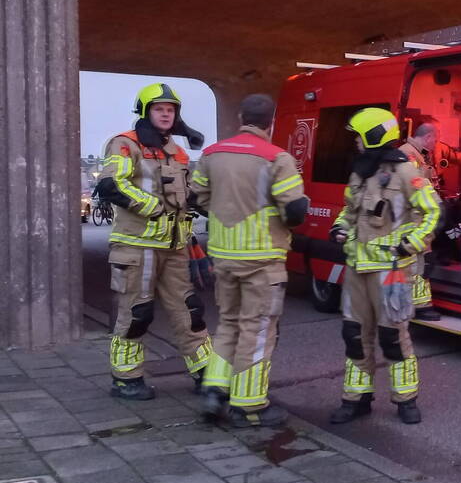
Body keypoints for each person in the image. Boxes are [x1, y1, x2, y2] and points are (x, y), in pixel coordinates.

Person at [190, 94, 309, 428]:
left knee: (228, 323)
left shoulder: (212, 154)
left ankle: (215, 389)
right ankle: (250, 406)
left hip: (224, 256)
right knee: (257, 331)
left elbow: (196, 197)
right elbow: (295, 210)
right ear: (271, 121)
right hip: (262, 260)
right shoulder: (277, 158)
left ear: (240, 116)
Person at [96, 83, 212, 400]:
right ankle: (126, 379)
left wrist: (220, 209)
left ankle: (206, 374)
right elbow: (110, 185)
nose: (165, 113)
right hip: (136, 246)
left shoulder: (178, 152)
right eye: (159, 108)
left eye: (170, 109)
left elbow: (189, 196)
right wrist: (154, 207)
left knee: (191, 310)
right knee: (137, 313)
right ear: (146, 112)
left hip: (174, 248)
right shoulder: (124, 144)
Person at [329, 108, 441, 424]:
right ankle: (356, 399)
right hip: (357, 269)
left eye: (358, 136)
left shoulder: (406, 172)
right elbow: (349, 213)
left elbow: (432, 212)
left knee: (393, 337)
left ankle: (406, 401)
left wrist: (409, 243)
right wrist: (338, 227)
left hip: (390, 271)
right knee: (354, 334)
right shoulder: (359, 173)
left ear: (372, 136)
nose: (354, 143)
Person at [399, 119, 461, 320]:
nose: (437, 143)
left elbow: (460, 158)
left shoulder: (431, 150)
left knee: (423, 261)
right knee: (418, 263)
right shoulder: (408, 156)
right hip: (414, 216)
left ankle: (420, 303)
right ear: (428, 137)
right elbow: (411, 189)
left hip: (426, 211)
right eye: (436, 138)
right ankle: (414, 306)